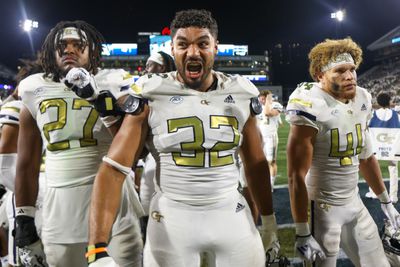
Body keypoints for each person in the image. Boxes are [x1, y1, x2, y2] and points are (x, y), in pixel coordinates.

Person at [85, 9, 280, 267]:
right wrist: (96, 249)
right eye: (183, 44)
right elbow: (114, 168)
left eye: (202, 44)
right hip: (172, 221)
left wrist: (269, 222)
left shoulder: (241, 92)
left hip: (231, 217)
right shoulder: (150, 92)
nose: (193, 53)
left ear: (215, 47)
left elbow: (255, 164)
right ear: (172, 49)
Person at [14, 20, 142, 267]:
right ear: (52, 52)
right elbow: (26, 162)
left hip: (114, 203)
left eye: (78, 45)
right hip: (59, 207)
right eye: (62, 45)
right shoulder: (33, 88)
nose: (70, 50)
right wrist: (24, 218)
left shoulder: (115, 82)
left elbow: (135, 150)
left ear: (92, 51)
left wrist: (99, 100)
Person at [286, 37, 399, 266]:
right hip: (322, 207)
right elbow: (295, 175)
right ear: (320, 75)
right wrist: (302, 230)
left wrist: (386, 202)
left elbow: (366, 158)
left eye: (352, 70)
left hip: (354, 201)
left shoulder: (363, 98)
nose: (350, 76)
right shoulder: (309, 103)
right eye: (340, 71)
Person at [0, 58, 47, 267]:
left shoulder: (19, 106)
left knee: (24, 258)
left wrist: (26, 189)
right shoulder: (39, 104)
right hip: (41, 186)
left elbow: (4, 163)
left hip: (25, 190)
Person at [366, 92, 400, 203]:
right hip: (392, 147)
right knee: (393, 170)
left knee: (373, 170)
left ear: (379, 103)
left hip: (376, 147)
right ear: (389, 102)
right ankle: (393, 196)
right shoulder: (397, 115)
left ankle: (374, 193)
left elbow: (365, 127)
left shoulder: (373, 115)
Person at [258, 90, 283, 191]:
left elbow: (268, 113)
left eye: (264, 99)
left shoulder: (275, 104)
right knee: (260, 162)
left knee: (271, 161)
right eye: (261, 100)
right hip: (260, 138)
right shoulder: (258, 106)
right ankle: (262, 182)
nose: (262, 102)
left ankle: (270, 185)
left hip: (270, 137)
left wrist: (269, 100)